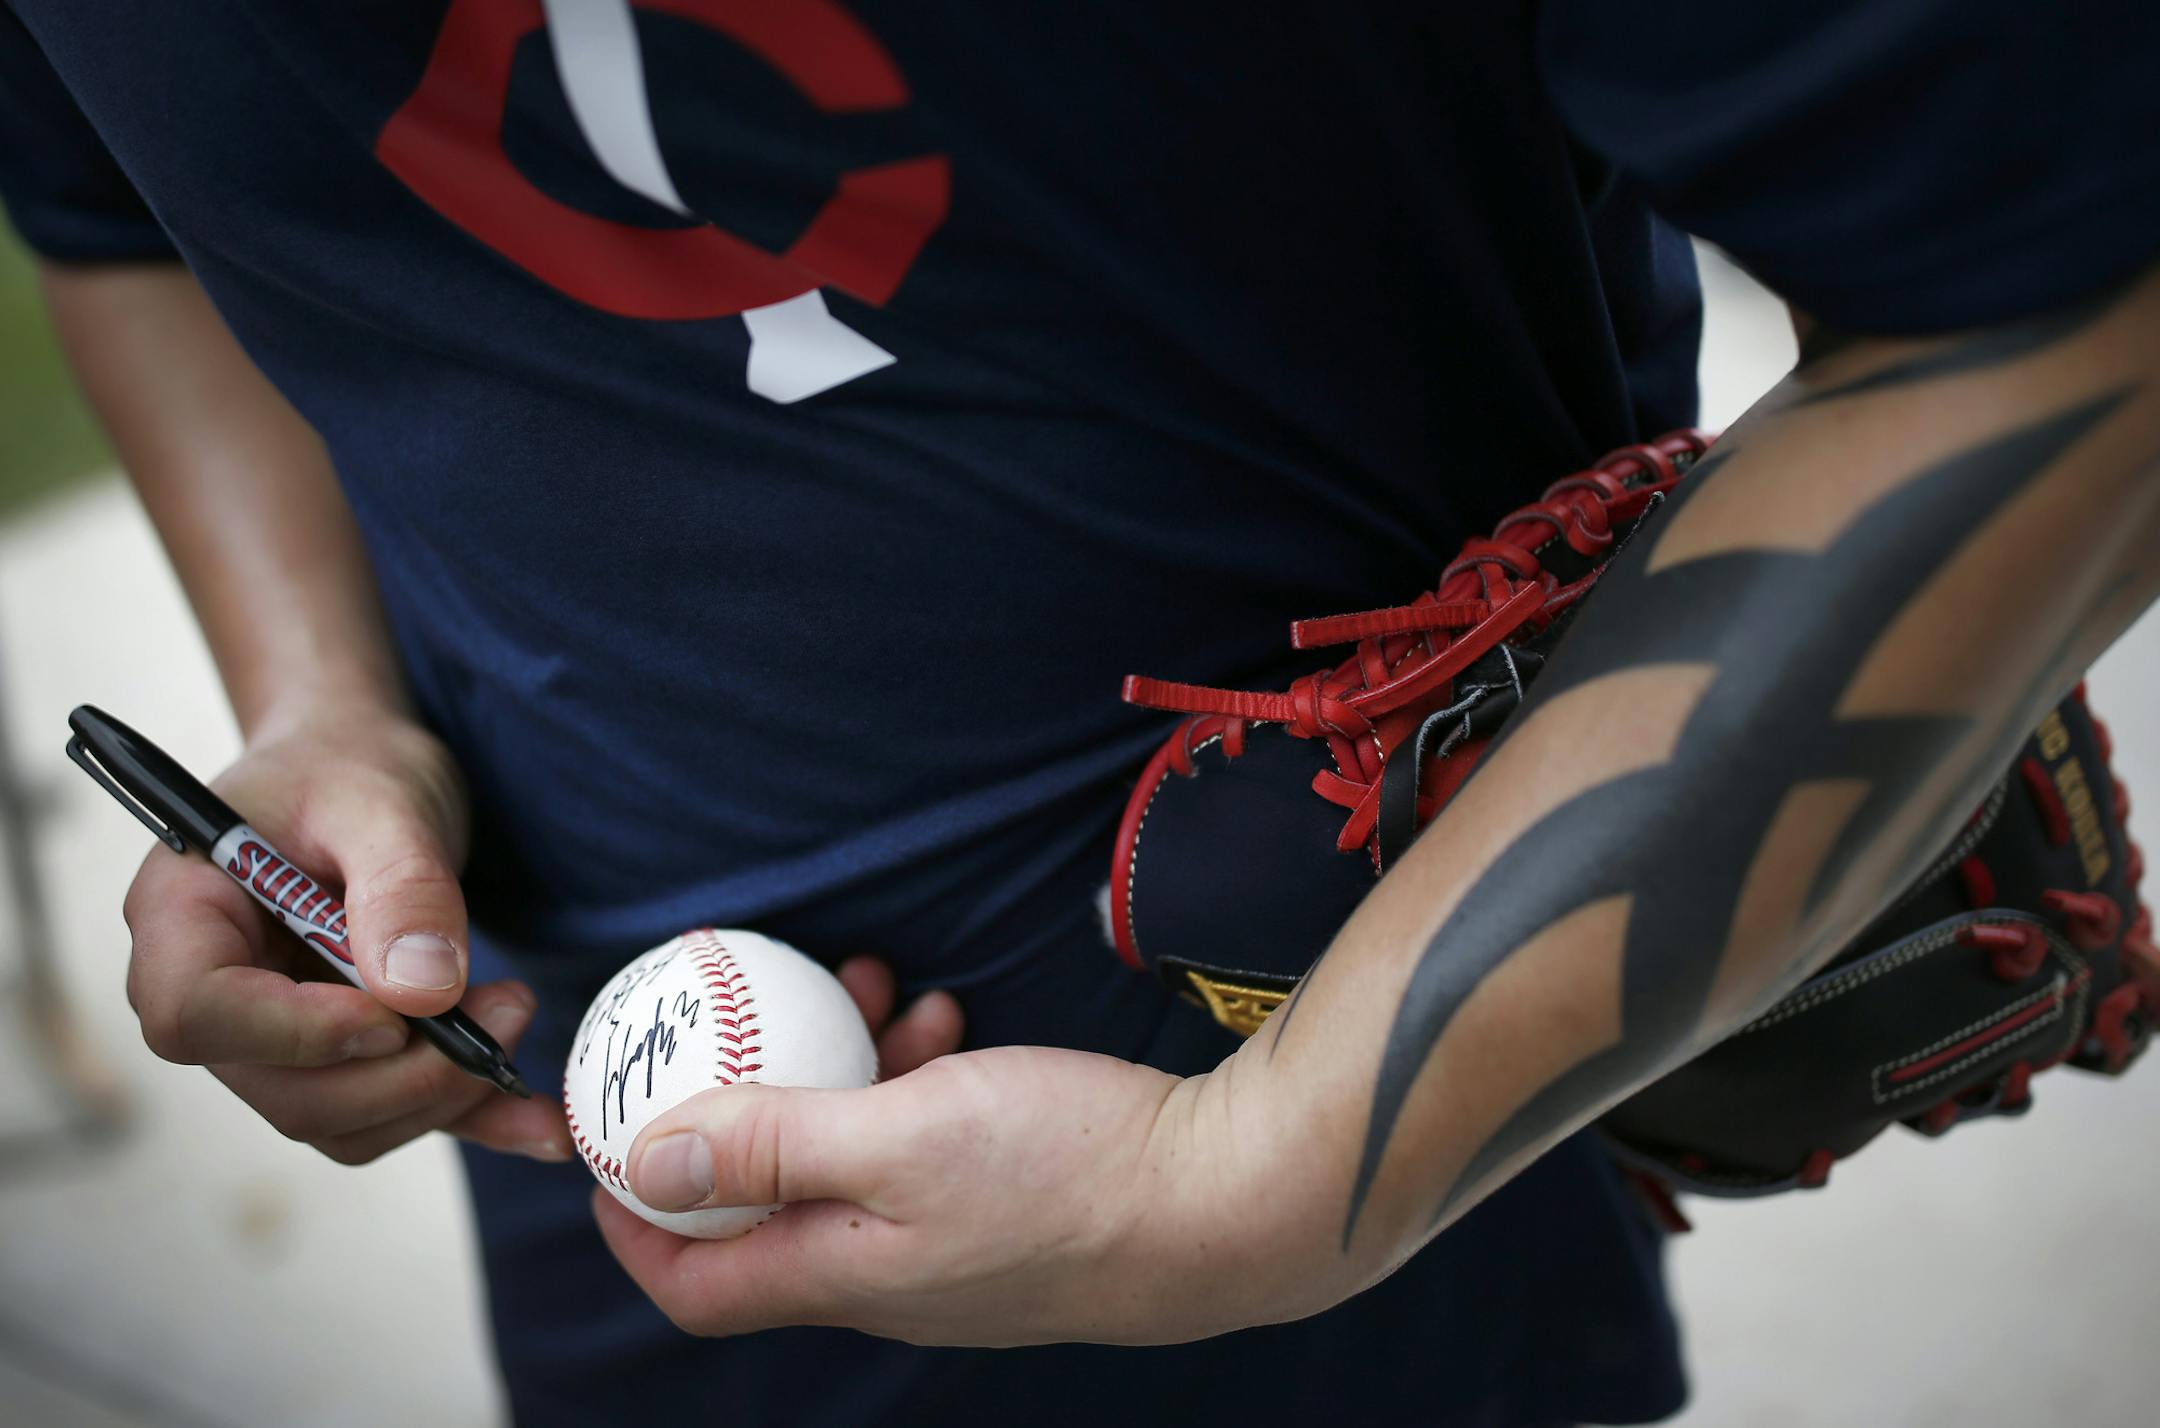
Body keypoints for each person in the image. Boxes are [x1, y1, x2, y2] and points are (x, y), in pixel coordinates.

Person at [4, 2, 2155, 1423]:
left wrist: (1271, 1179)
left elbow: (2074, 298)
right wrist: (323, 699)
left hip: (1346, 1152)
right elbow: (121, 211)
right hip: (639, 1162)